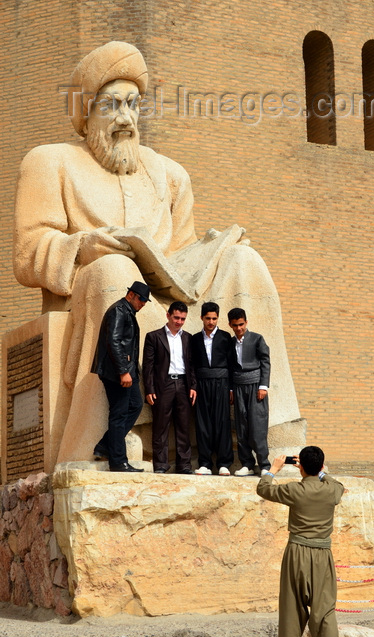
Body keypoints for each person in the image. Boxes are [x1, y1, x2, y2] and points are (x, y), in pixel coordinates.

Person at [14, 40, 301, 465]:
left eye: (133, 104)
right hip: (99, 291)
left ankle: (265, 428)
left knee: (245, 262)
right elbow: (28, 252)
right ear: (87, 111)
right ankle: (125, 431)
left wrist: (214, 250)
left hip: (172, 300)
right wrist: (82, 247)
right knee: (115, 271)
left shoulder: (169, 174)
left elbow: (181, 253)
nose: (126, 117)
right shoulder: (50, 162)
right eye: (112, 105)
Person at [257, 446, 344, 637]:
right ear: (322, 465)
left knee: (291, 612)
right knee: (325, 616)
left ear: (300, 466)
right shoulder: (332, 490)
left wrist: (273, 469)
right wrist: (318, 473)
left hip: (296, 552)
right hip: (322, 555)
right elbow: (333, 483)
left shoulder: (295, 489)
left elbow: (263, 489)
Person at [90, 281, 151, 472]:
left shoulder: (127, 311)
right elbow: (113, 341)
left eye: (145, 301)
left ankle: (105, 445)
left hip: (127, 370)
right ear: (131, 294)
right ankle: (118, 462)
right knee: (119, 414)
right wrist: (123, 371)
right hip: (117, 372)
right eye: (141, 299)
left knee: (136, 404)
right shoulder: (119, 311)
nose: (143, 303)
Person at [142, 301, 197, 474]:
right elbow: (148, 366)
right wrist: (149, 389)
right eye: (176, 317)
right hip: (162, 385)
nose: (179, 321)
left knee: (183, 426)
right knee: (160, 426)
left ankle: (184, 465)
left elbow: (192, 365)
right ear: (168, 315)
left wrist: (194, 386)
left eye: (182, 319)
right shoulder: (154, 337)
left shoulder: (189, 338)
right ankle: (160, 464)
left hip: (183, 384)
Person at [191, 302, 233, 476]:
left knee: (222, 422)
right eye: (208, 318)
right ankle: (205, 464)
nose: (211, 322)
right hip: (201, 384)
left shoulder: (225, 337)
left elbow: (232, 364)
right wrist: (193, 386)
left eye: (214, 318)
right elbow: (191, 365)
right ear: (201, 318)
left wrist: (230, 388)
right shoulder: (194, 339)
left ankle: (224, 463)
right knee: (202, 424)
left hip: (221, 384)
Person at [228, 308, 271, 476]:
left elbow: (265, 362)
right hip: (238, 386)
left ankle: (264, 465)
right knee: (241, 426)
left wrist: (263, 386)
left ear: (246, 322)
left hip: (255, 387)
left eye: (241, 324)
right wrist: (231, 388)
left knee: (257, 425)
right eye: (235, 325)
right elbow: (230, 366)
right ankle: (247, 464)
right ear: (230, 325)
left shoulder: (257, 339)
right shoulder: (231, 343)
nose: (239, 328)